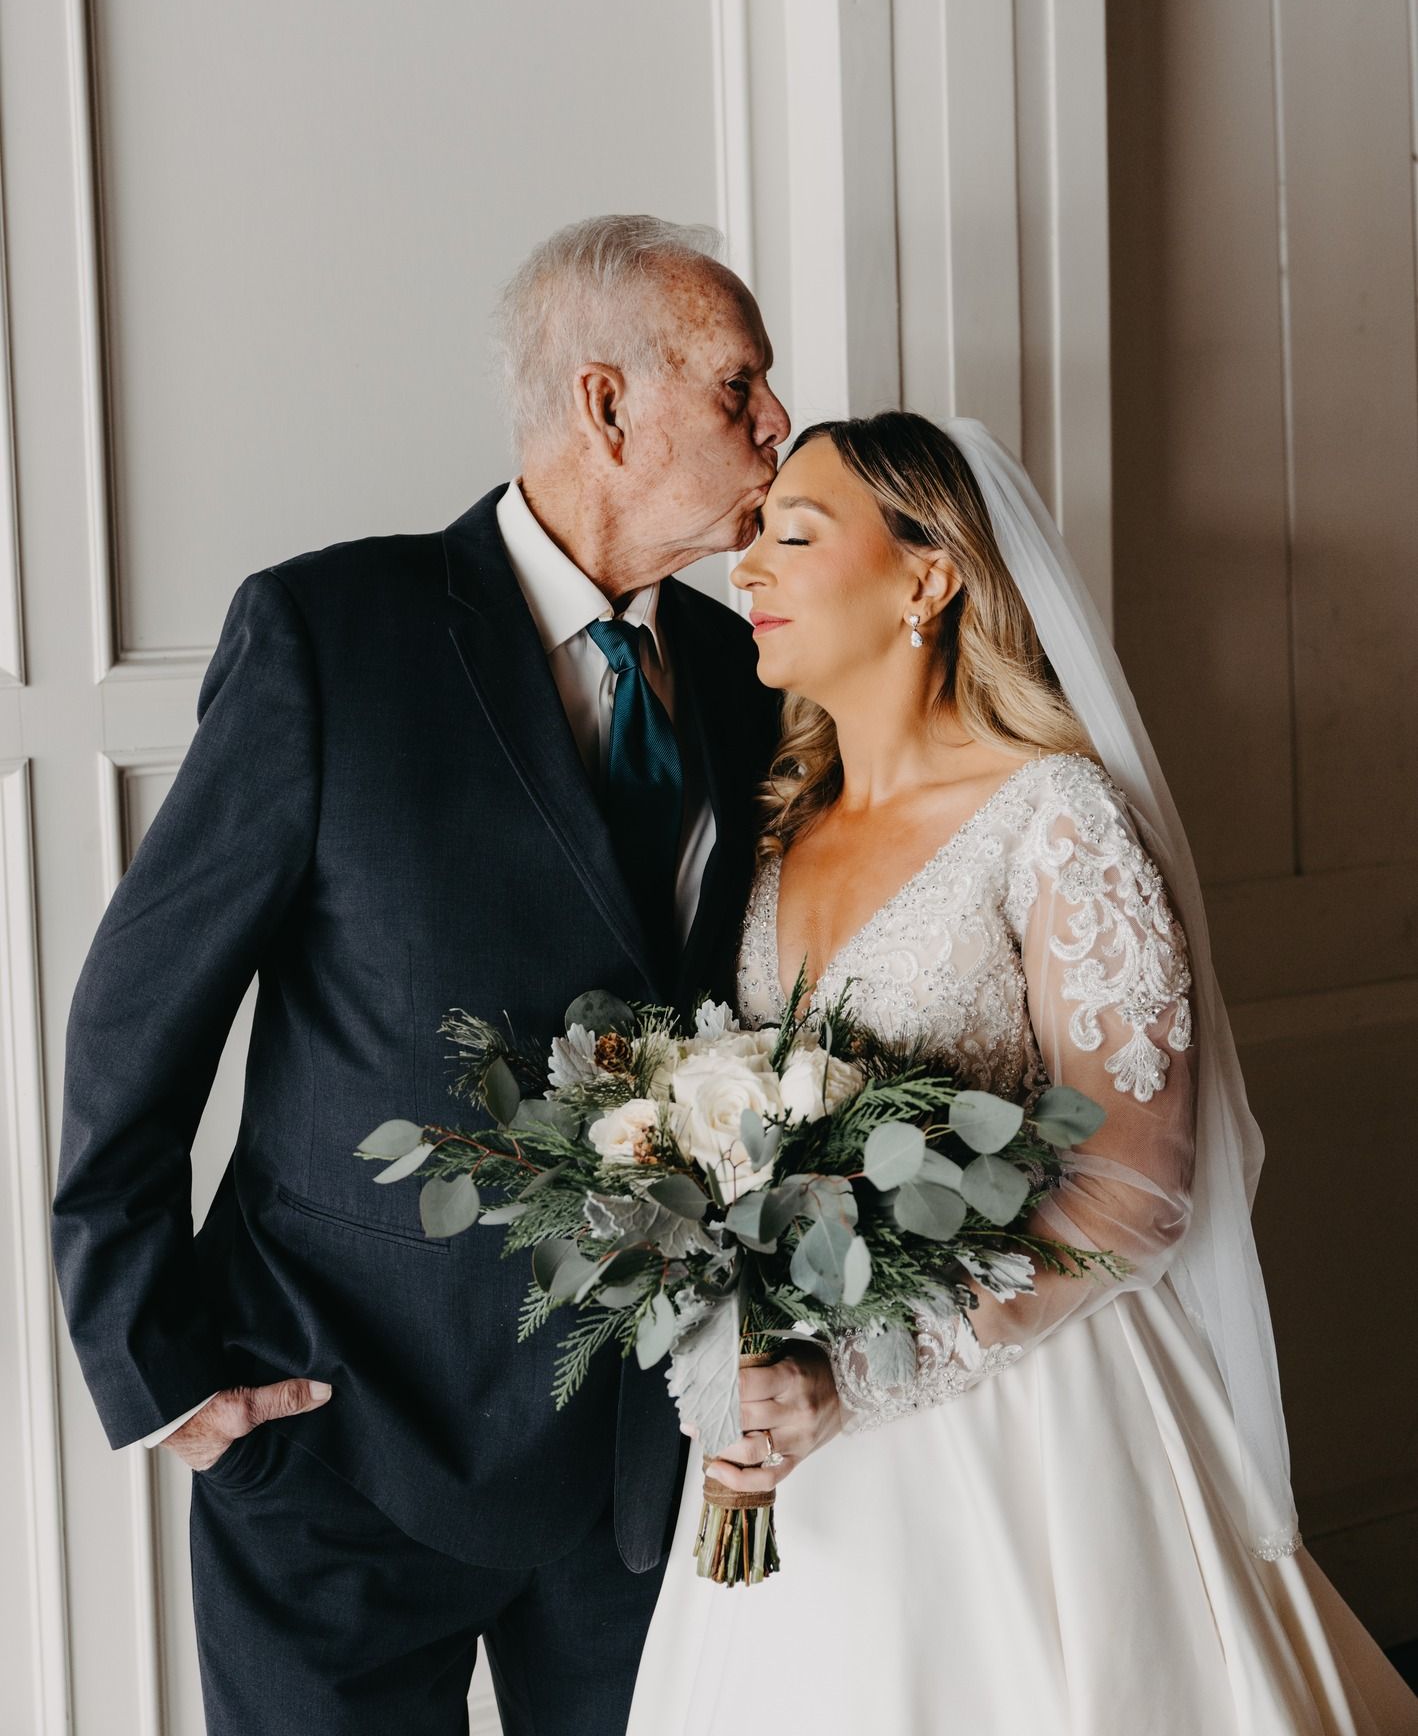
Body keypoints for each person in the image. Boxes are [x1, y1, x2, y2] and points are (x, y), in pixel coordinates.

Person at [49, 214, 807, 1734]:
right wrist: (159, 1375)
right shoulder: (331, 635)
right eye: (739, 385)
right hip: (335, 1446)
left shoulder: (744, 676)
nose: (777, 423)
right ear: (607, 405)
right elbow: (138, 1014)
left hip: (630, 1471)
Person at [628, 411, 1418, 1735]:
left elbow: (1133, 1192)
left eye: (792, 537)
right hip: (793, 1457)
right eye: (752, 535)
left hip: (1027, 1428)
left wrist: (862, 1376)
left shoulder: (1056, 821)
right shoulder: (775, 829)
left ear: (927, 578)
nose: (742, 567)